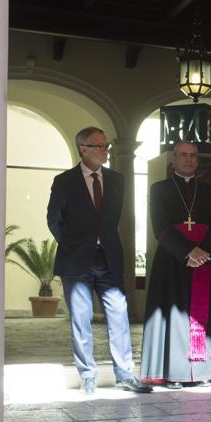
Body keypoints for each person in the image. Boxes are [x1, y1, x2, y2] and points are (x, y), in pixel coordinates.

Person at [47, 126, 151, 395]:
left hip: (109, 258)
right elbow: (54, 220)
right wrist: (74, 245)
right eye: (100, 146)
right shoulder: (64, 181)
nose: (106, 151)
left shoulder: (117, 180)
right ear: (84, 149)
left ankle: (125, 374)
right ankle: (88, 376)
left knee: (119, 315)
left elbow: (114, 218)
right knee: (81, 320)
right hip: (76, 260)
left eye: (107, 146)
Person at [139, 141, 211, 389]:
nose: (188, 159)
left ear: (197, 161)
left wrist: (203, 252)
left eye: (192, 156)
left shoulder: (209, 192)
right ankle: (173, 373)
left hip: (203, 262)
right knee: (173, 317)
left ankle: (202, 371)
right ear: (173, 160)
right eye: (183, 155)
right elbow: (160, 227)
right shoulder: (159, 189)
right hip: (172, 260)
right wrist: (187, 251)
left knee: (201, 317)